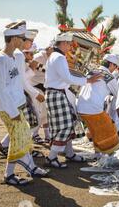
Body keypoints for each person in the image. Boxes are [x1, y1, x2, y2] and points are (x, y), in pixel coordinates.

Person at [0, 21, 49, 186]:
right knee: (20, 136)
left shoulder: (17, 56)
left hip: (18, 103)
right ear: (13, 38)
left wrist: (34, 93)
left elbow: (22, 80)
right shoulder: (0, 59)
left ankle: (29, 167)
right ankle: (10, 174)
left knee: (22, 136)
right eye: (22, 38)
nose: (25, 41)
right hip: (6, 107)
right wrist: (12, 112)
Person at [44, 32, 102, 169]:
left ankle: (69, 153)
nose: (70, 47)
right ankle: (51, 157)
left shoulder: (55, 56)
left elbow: (65, 76)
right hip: (57, 94)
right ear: (63, 43)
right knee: (65, 125)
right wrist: (87, 80)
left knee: (68, 122)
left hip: (57, 93)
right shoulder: (58, 57)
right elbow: (68, 78)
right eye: (69, 44)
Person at [77, 53, 119, 160]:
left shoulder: (92, 71)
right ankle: (108, 155)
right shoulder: (108, 76)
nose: (115, 69)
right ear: (111, 64)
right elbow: (118, 94)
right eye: (115, 66)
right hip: (93, 108)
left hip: (81, 107)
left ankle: (97, 153)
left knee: (95, 131)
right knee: (109, 130)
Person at [28, 41, 54, 143]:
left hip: (44, 86)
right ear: (49, 48)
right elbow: (31, 67)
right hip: (35, 86)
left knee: (45, 112)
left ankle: (47, 136)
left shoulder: (52, 58)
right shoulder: (39, 56)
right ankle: (34, 134)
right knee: (38, 112)